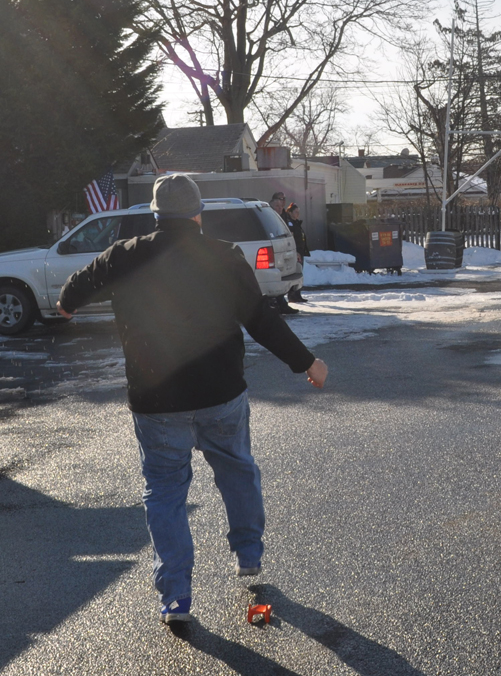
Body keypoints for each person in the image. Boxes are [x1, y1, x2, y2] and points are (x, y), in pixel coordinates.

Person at [56, 174, 329, 625]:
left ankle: (176, 596)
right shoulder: (224, 256)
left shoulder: (123, 255)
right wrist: (306, 363)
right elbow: (260, 320)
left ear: (156, 213)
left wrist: (67, 307)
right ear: (198, 214)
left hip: (156, 400)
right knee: (237, 470)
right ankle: (247, 552)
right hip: (221, 392)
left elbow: (72, 293)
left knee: (164, 492)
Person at [268, 192, 297, 314]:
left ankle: (281, 303)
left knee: (282, 278)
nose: (280, 208)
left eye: (281, 205)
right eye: (278, 206)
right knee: (275, 279)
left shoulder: (282, 217)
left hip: (284, 251)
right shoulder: (269, 218)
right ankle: (279, 304)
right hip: (275, 252)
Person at [286, 202, 309, 303]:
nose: (297, 214)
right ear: (290, 212)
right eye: (295, 212)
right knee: (295, 273)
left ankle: (297, 294)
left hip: (300, 251)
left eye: (298, 212)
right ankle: (293, 295)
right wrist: (296, 252)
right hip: (296, 252)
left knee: (299, 273)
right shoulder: (290, 224)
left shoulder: (296, 223)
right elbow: (292, 239)